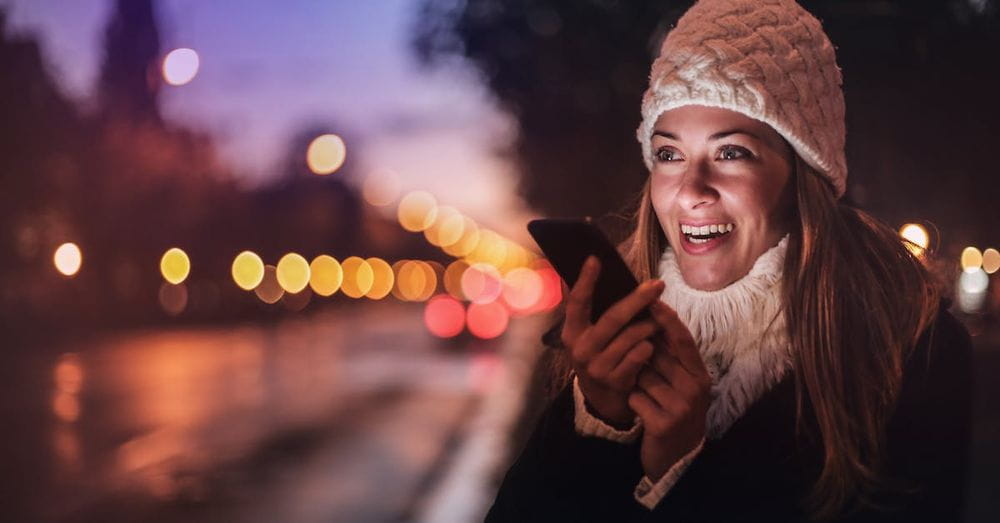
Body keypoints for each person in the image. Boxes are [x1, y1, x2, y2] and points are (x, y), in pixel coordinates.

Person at [484, 0, 973, 521]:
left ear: (803, 174)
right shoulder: (607, 346)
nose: (691, 191)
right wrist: (599, 424)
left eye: (731, 152)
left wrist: (680, 468)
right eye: (669, 155)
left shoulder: (911, 353)